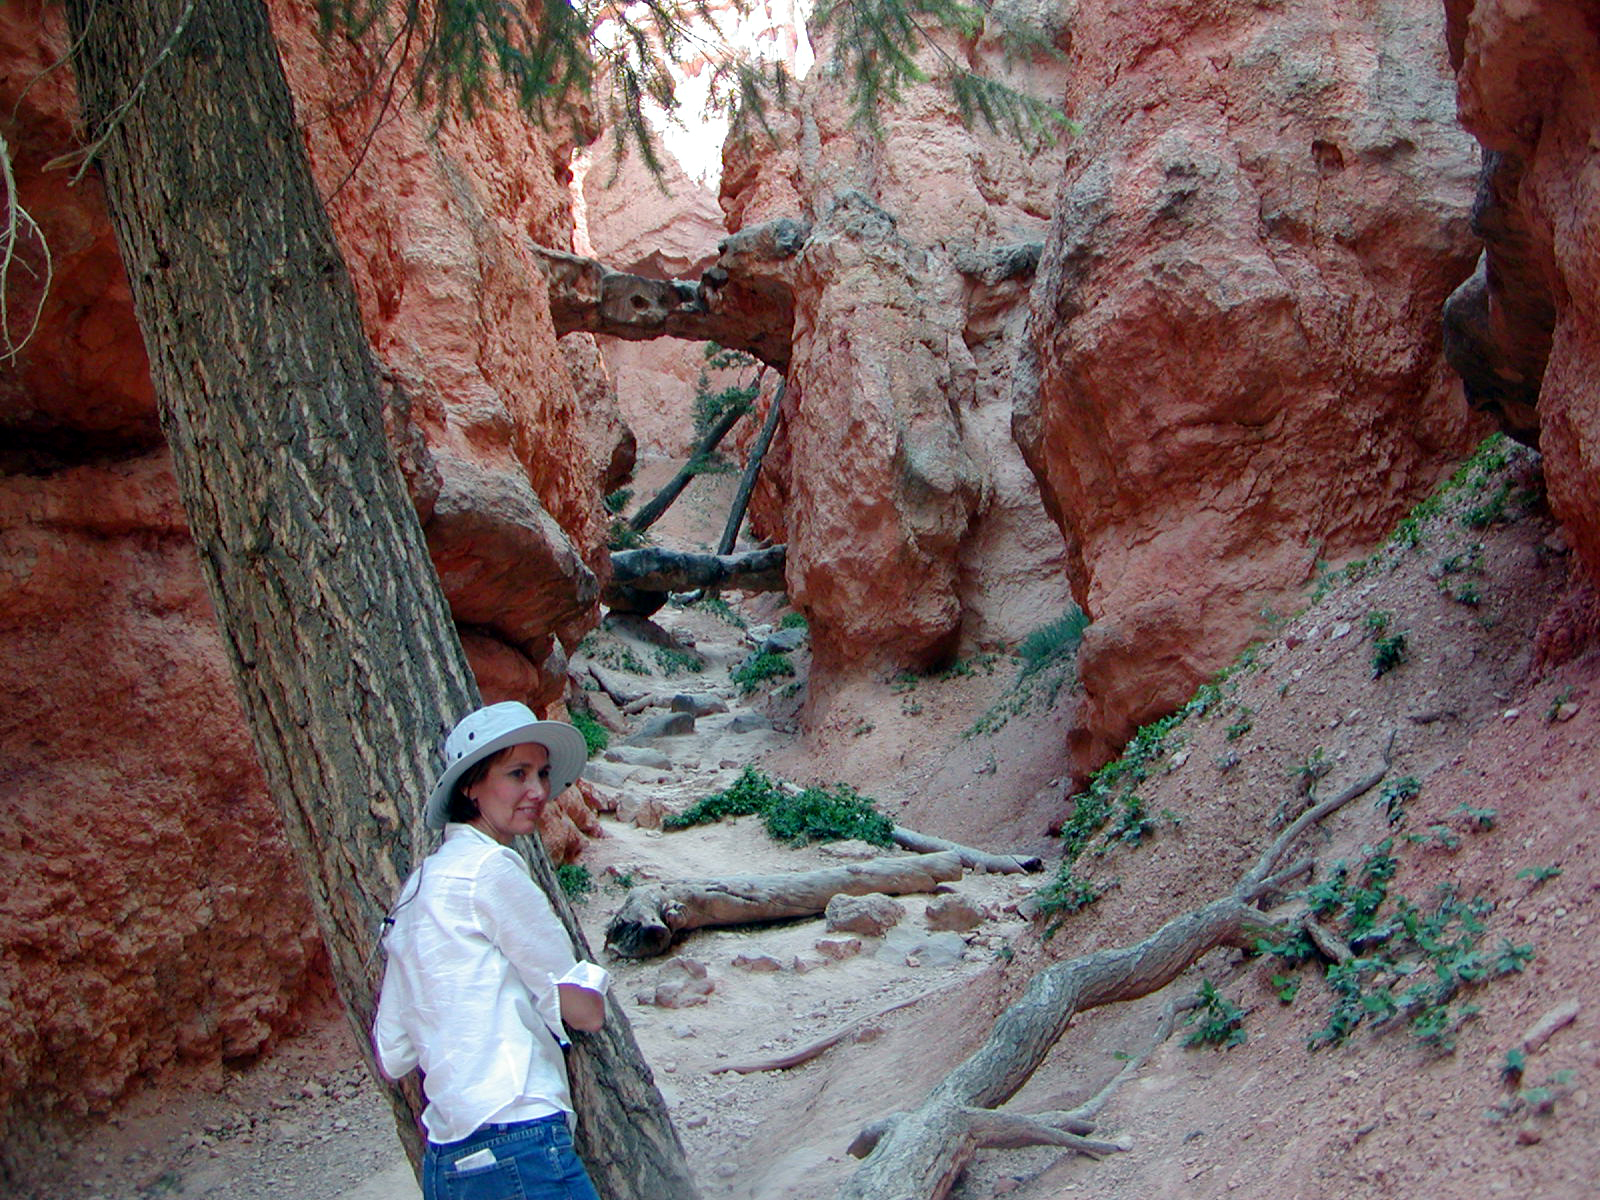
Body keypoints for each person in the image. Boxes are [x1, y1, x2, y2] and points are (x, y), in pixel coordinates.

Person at [373, 701, 610, 1200]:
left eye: (542, 773)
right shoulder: (491, 871)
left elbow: (393, 1052)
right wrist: (591, 976)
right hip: (518, 1137)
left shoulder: (419, 888)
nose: (538, 790)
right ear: (470, 786)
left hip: (448, 1159)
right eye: (517, 773)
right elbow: (585, 1013)